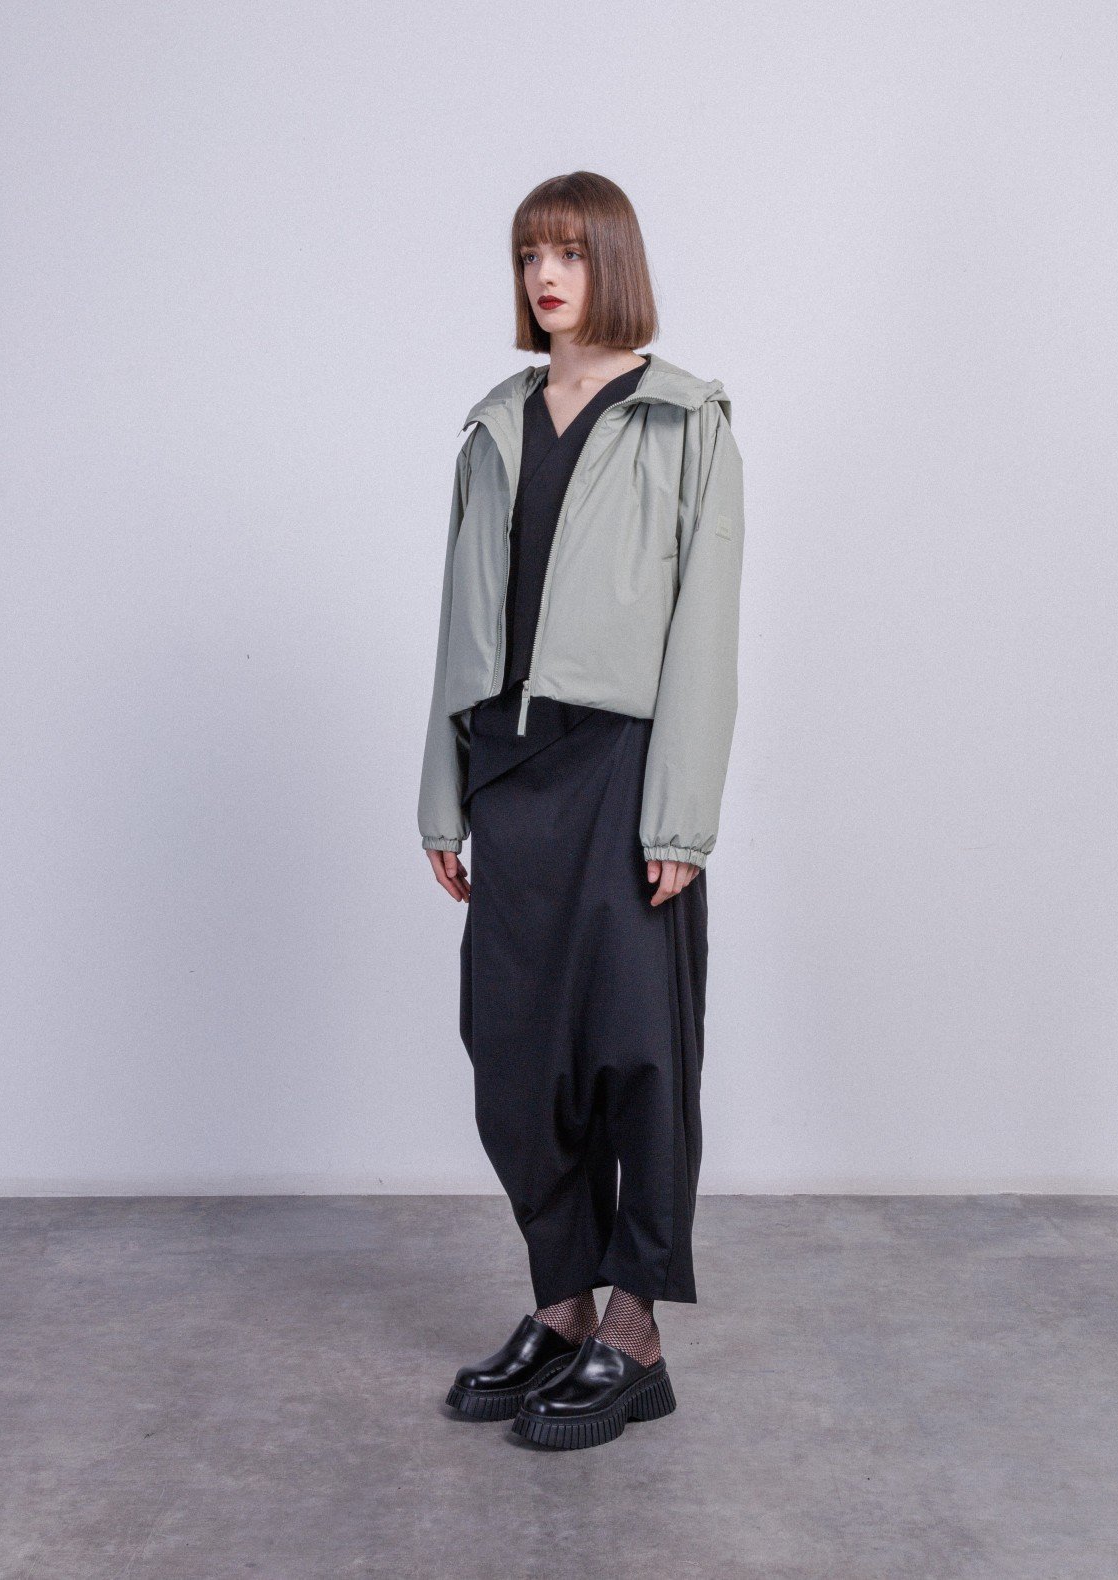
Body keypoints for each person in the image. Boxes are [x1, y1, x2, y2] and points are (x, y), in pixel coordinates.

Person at [417, 170, 745, 1451]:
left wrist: (681, 820)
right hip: (508, 762)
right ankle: (560, 1308)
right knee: (514, 1054)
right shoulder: (493, 424)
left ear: (614, 262)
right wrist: (442, 792)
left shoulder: (686, 420)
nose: (546, 276)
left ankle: (635, 1329)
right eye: (528, 255)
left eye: (568, 252)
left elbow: (705, 633)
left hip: (622, 764)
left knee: (635, 1052)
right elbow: (456, 624)